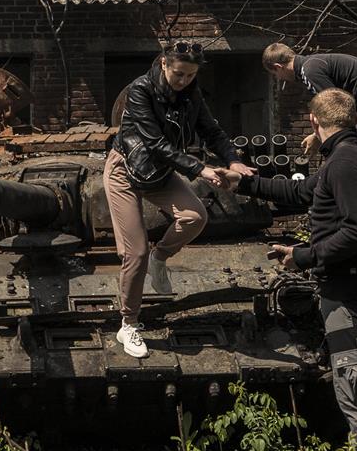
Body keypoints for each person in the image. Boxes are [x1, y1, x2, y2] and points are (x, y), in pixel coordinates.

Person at [219, 88, 357, 451]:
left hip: (353, 298)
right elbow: (302, 194)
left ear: (314, 122)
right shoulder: (347, 158)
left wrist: (304, 255)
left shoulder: (345, 164)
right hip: (355, 292)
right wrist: (243, 182)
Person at [105, 41, 253, 360]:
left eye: (191, 75)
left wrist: (233, 160)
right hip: (125, 169)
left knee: (195, 217)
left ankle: (161, 260)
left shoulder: (191, 94)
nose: (184, 80)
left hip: (160, 171)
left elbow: (212, 131)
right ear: (163, 64)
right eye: (179, 73)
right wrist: (200, 169)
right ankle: (128, 324)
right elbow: (155, 142)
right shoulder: (140, 89)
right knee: (135, 251)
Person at [261, 44, 357, 164]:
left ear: (278, 67)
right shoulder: (315, 63)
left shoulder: (309, 70)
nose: (280, 78)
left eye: (276, 75)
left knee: (353, 156)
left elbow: (335, 108)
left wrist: (318, 136)